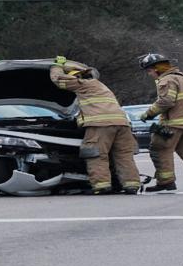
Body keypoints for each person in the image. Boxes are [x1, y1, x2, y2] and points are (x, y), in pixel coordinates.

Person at [50, 56, 142, 195]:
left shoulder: (84, 84)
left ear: (79, 76)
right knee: (124, 156)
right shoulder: (100, 86)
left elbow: (58, 80)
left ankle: (101, 186)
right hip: (122, 124)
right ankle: (131, 185)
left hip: (101, 125)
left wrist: (56, 66)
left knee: (96, 154)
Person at [136, 53, 183, 194]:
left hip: (173, 124)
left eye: (149, 71)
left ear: (157, 69)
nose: (149, 74)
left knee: (160, 150)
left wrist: (148, 113)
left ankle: (166, 182)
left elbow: (166, 101)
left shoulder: (166, 80)